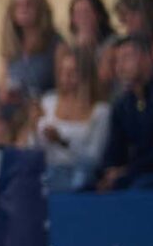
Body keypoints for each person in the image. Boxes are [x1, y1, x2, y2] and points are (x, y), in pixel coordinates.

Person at [93, 33, 153, 191]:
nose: (120, 66)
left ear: (148, 58)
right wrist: (109, 170)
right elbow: (114, 149)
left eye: (127, 58)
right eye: (117, 60)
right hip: (130, 175)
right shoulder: (122, 105)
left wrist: (128, 170)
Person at [33, 43, 108, 193]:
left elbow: (95, 158)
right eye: (62, 71)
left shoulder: (101, 111)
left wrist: (63, 141)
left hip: (80, 177)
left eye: (72, 72)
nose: (65, 78)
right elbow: (34, 148)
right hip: (47, 173)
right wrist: (31, 127)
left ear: (86, 77)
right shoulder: (48, 102)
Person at [0, 0, 61, 110]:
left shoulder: (56, 45)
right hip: (15, 111)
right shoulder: (12, 45)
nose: (23, 9)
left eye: (29, 4)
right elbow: (2, 90)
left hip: (45, 111)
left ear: (40, 7)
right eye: (17, 5)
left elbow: (65, 91)